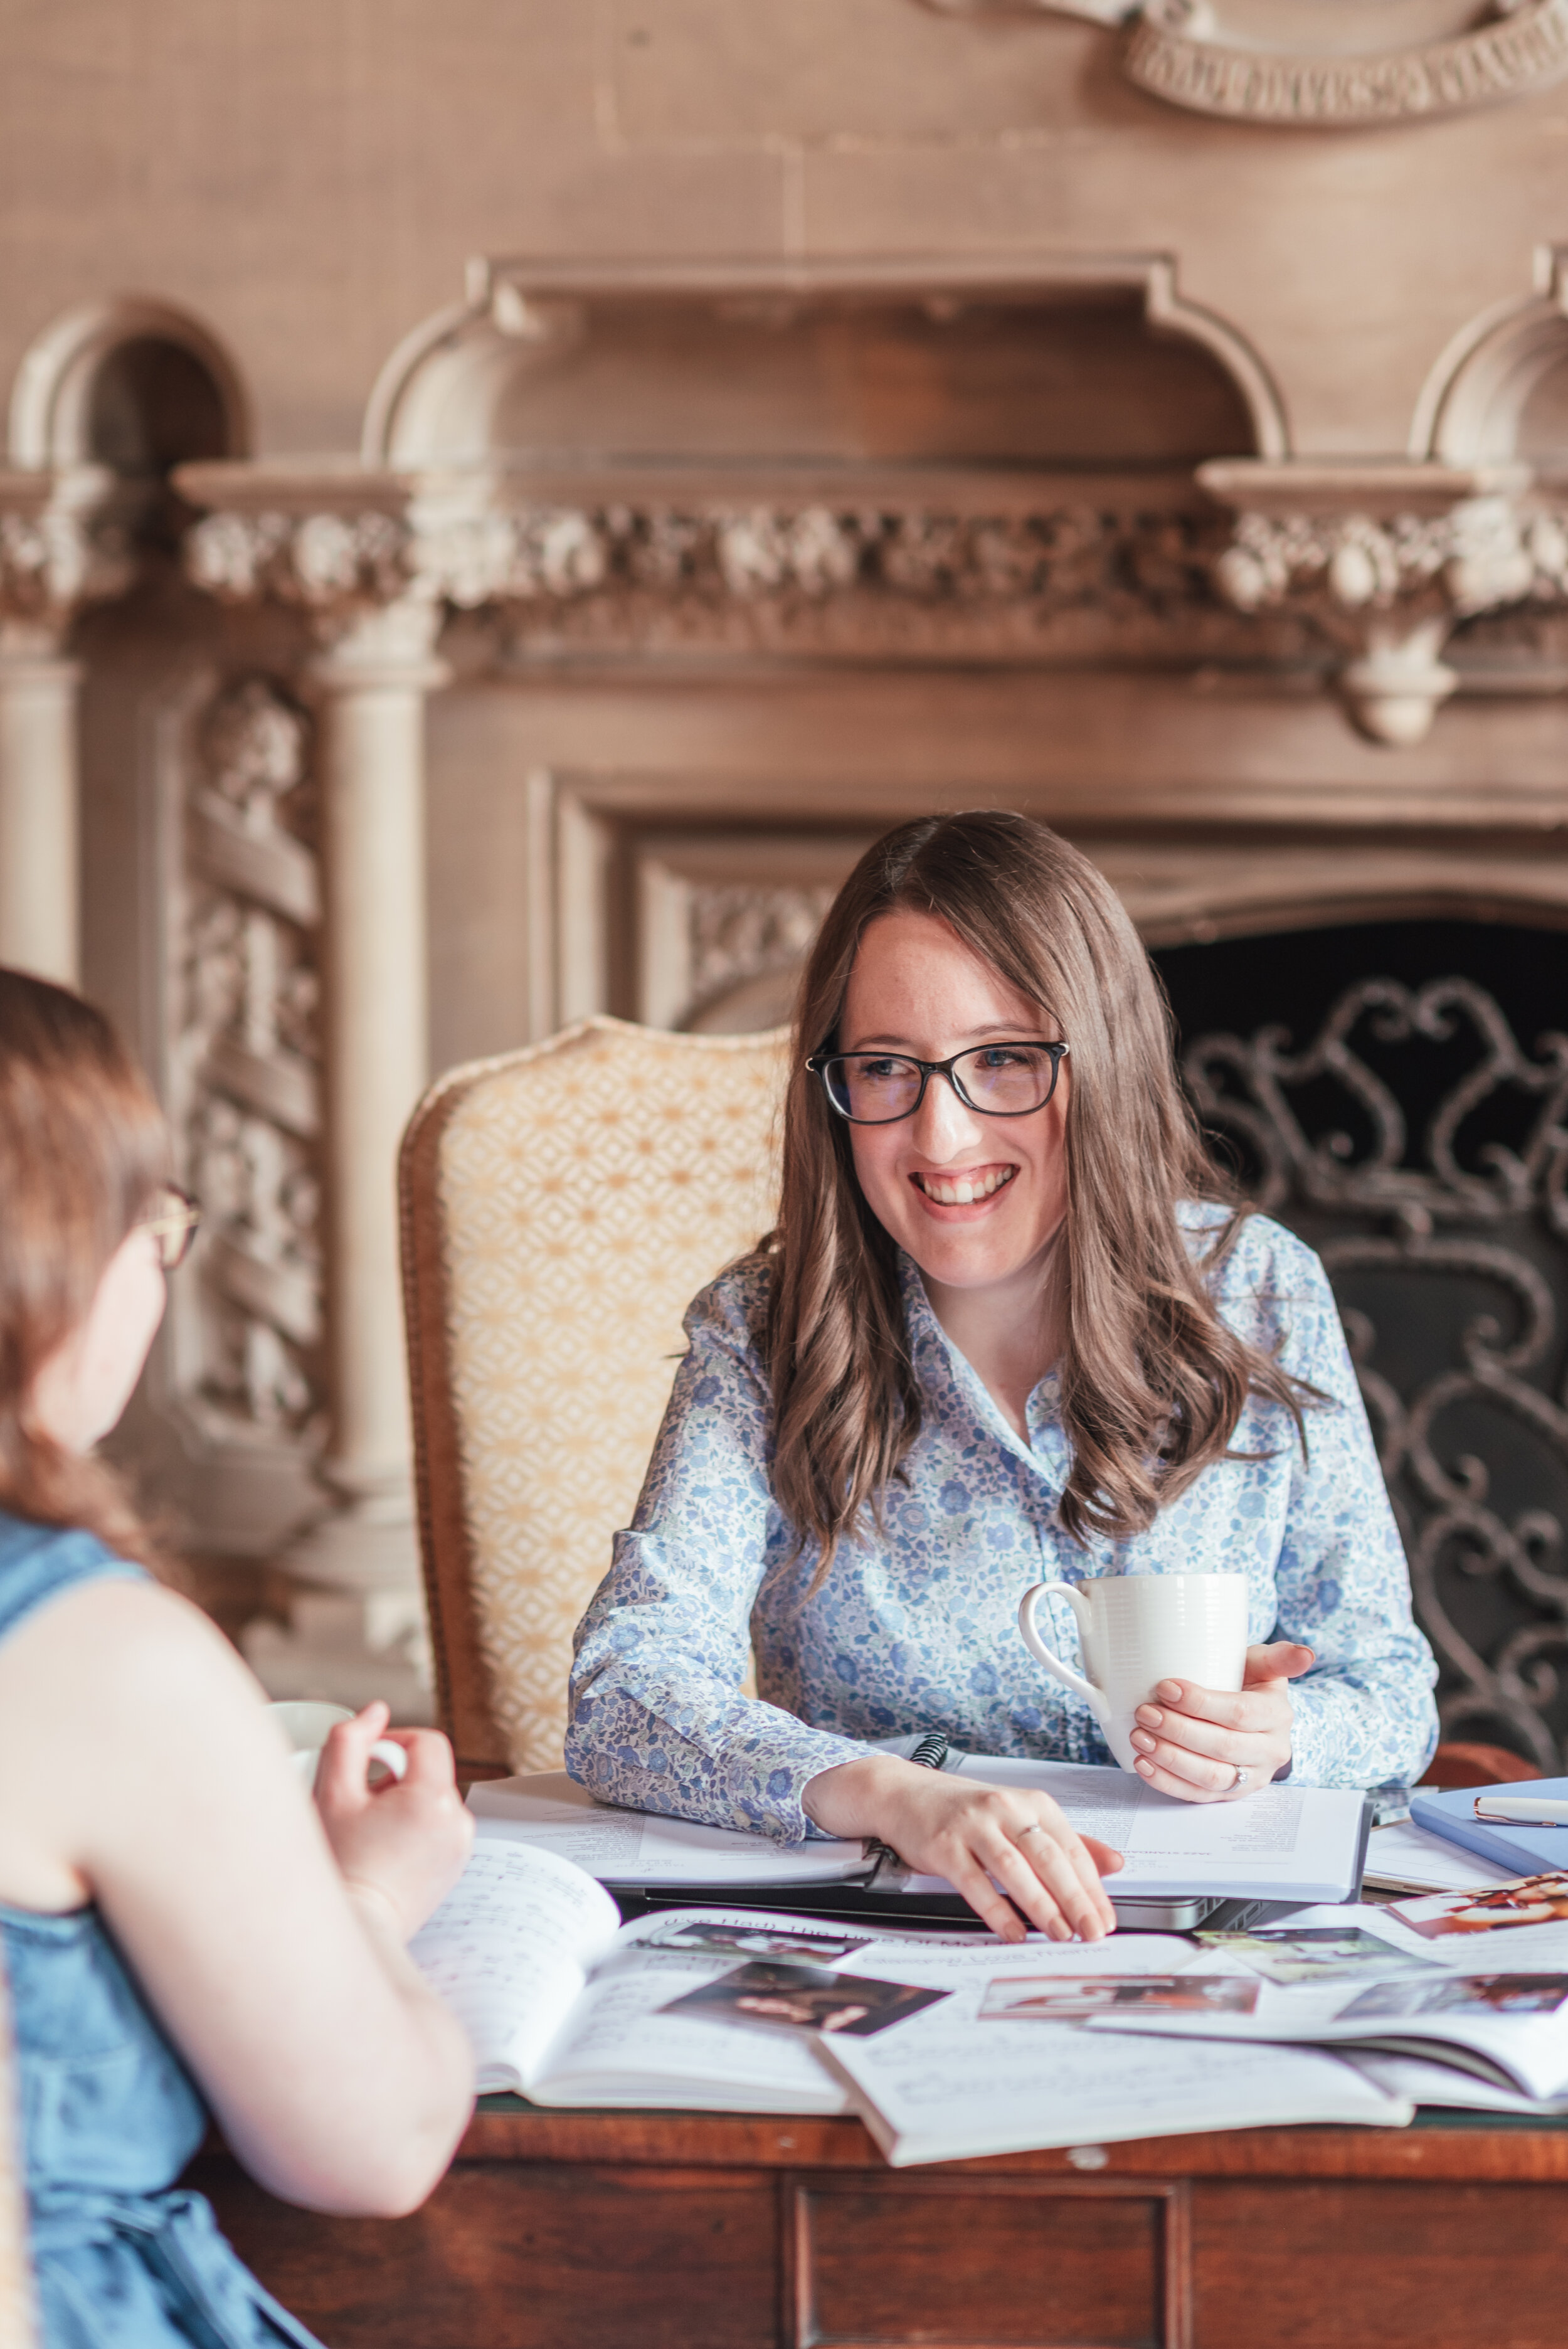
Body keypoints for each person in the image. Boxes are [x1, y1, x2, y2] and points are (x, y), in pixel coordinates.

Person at [567, 813, 1439, 1944]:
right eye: (885, 1066)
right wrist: (893, 1795)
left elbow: (1391, 1691)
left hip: (1205, 1954)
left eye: (1004, 1062)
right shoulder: (764, 1330)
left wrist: (1280, 1738)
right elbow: (623, 1690)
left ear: (1101, 1062)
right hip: (888, 1952)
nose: (941, 1132)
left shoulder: (1262, 1290)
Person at [0, 970, 475, 2347]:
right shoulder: (101, 1655)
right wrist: (367, 1902)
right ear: (53, 1260)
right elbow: (374, 2141)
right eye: (156, 1224)